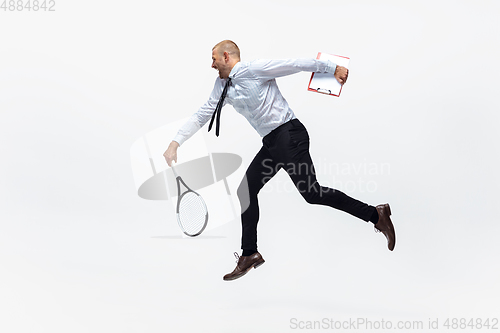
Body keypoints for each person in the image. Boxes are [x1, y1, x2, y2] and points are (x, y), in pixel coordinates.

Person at [163, 40, 396, 281]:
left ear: (226, 56)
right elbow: (204, 113)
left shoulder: (253, 70)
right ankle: (249, 254)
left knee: (312, 194)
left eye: (213, 59)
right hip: (273, 144)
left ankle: (375, 215)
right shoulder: (223, 85)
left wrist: (331, 68)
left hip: (289, 135)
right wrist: (175, 143)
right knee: (246, 190)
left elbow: (293, 64)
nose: (211, 65)